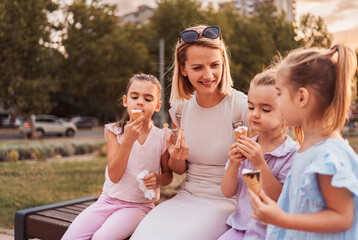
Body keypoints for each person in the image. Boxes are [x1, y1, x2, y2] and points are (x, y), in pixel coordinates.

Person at [130, 25, 248, 240]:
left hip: (226, 202)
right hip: (186, 197)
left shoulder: (242, 107)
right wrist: (176, 156)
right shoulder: (180, 110)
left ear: (223, 62)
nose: (208, 75)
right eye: (197, 67)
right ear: (183, 69)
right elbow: (179, 170)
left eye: (215, 65)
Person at [249, 44, 358, 239]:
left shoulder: (326, 155)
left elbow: (343, 217)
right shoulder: (309, 147)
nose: (277, 102)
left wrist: (281, 219)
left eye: (279, 94)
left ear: (301, 97)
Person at [61, 74, 173, 240]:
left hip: (138, 207)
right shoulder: (114, 132)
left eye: (148, 99)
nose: (140, 102)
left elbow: (168, 176)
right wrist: (127, 141)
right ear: (125, 101)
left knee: (101, 238)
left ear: (158, 105)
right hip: (106, 202)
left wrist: (157, 178)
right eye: (134, 97)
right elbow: (114, 176)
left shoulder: (162, 137)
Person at [218, 69, 298, 239]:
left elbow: (280, 199)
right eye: (251, 106)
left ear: (286, 112)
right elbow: (227, 191)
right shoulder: (245, 145)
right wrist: (233, 165)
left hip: (272, 232)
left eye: (266, 110)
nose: (255, 114)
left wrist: (259, 164)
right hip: (241, 227)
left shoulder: (291, 154)